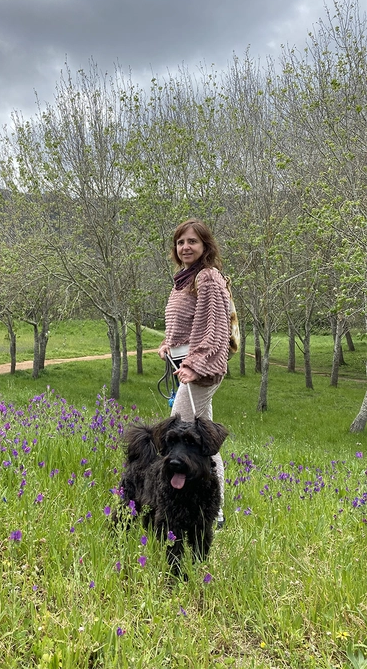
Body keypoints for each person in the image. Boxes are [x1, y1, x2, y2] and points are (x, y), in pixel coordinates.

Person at [158, 218, 231, 528]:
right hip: (184, 367)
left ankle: (210, 511)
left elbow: (215, 329)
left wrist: (193, 364)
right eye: (180, 242)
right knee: (205, 438)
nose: (185, 247)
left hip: (198, 370)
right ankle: (215, 509)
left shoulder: (208, 278)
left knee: (187, 437)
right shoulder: (184, 279)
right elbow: (184, 325)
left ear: (205, 246)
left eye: (192, 242)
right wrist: (167, 345)